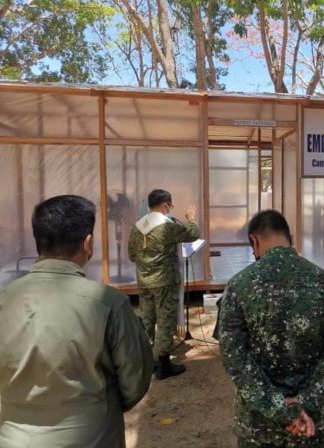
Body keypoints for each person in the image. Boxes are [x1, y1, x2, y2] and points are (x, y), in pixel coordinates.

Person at [0, 195, 152, 448]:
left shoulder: (5, 298)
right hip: (93, 437)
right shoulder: (108, 303)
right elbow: (135, 380)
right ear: (88, 243)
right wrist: (102, 406)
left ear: (38, 241)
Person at [218, 210, 324, 448]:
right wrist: (304, 404)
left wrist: (277, 407)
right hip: (308, 424)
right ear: (290, 238)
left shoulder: (238, 286)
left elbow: (234, 356)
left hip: (258, 425)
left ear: (254, 240)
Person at [128, 189, 200, 380]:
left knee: (147, 320)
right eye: (171, 204)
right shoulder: (166, 226)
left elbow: (131, 255)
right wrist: (191, 218)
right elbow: (193, 234)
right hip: (165, 282)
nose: (171, 208)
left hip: (144, 282)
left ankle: (148, 362)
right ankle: (164, 364)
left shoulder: (138, 226)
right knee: (165, 320)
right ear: (165, 204)